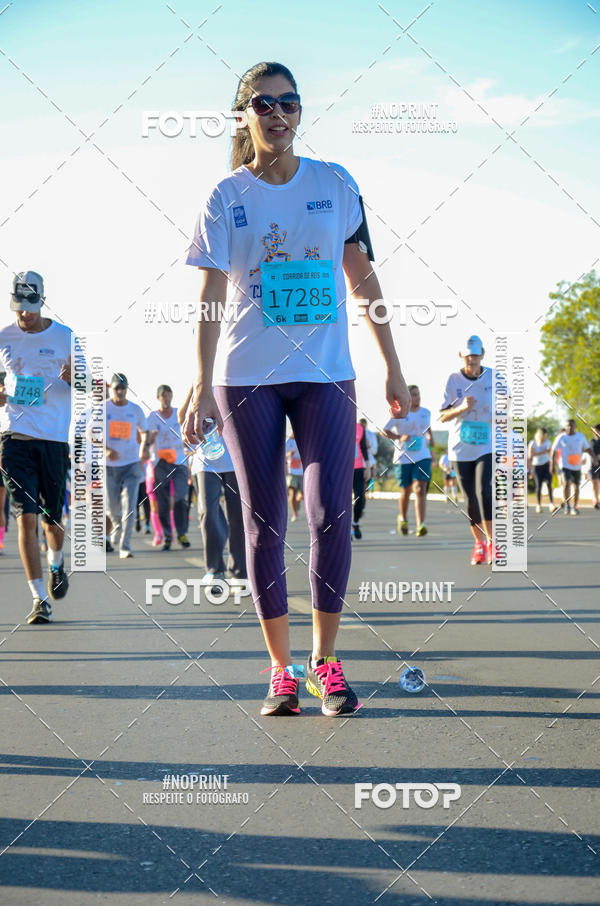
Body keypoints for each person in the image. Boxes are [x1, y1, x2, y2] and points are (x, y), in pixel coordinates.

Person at [184, 61, 410, 717]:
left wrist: (392, 365)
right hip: (246, 375)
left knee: (329, 513)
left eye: (290, 102)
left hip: (325, 372)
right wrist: (201, 381)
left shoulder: (336, 184)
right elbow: (209, 294)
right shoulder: (225, 196)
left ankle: (327, 663)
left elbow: (364, 279)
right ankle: (281, 671)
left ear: (301, 111)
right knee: (263, 525)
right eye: (263, 102)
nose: (278, 112)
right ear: (243, 114)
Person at [0, 271, 71, 623]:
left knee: (51, 522)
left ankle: (57, 563)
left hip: (54, 440)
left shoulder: (65, 336)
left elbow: (91, 384)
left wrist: (77, 376)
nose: (23, 315)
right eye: (18, 309)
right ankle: (39, 598)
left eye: (29, 308)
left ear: (41, 301)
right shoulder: (3, 338)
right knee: (25, 519)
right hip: (15, 439)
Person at [180, 386, 247, 590]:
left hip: (235, 461)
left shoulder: (236, 382)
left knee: (237, 517)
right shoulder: (202, 382)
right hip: (205, 462)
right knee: (208, 513)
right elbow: (182, 416)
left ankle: (238, 572)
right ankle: (215, 570)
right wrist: (195, 386)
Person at [440, 335, 493, 565]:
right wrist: (462, 407)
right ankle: (479, 544)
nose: (472, 361)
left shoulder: (494, 376)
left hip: (485, 444)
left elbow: (508, 404)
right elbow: (443, 416)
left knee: (484, 492)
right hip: (460, 448)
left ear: (482, 355)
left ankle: (493, 543)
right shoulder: (453, 380)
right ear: (461, 356)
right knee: (470, 498)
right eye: (468, 356)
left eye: (476, 356)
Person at [105, 373, 149, 558]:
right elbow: (90, 433)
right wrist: (106, 449)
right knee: (112, 508)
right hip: (109, 465)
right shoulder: (103, 408)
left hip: (132, 463)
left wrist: (144, 448)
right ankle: (116, 524)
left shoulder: (136, 410)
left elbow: (145, 432)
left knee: (130, 506)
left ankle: (125, 546)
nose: (120, 391)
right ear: (111, 389)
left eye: (123, 388)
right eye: (117, 388)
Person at [384, 384, 435, 537]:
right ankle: (403, 518)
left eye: (418, 394)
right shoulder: (399, 413)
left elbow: (427, 428)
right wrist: (399, 437)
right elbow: (384, 431)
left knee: (420, 488)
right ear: (407, 396)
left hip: (422, 455)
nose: (416, 397)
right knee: (405, 491)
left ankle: (421, 524)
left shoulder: (426, 412)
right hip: (403, 457)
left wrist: (430, 437)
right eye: (413, 394)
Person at [147, 384, 190, 550]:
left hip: (179, 462)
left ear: (171, 396)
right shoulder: (152, 417)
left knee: (180, 497)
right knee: (163, 502)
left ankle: (182, 532)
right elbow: (146, 441)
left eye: (168, 394)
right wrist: (151, 437)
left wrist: (188, 448)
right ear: (158, 398)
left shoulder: (180, 414)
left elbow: (188, 436)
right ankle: (167, 536)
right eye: (163, 395)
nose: (166, 398)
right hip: (160, 463)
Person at [551, 419, 591, 516]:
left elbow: (587, 448)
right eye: (567, 426)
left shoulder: (580, 437)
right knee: (567, 483)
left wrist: (593, 457)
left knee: (577, 486)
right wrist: (552, 464)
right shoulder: (561, 437)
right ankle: (567, 504)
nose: (569, 427)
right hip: (565, 465)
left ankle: (575, 506)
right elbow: (554, 451)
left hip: (577, 466)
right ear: (565, 427)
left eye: (571, 425)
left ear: (574, 426)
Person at [527, 427, 557, 513]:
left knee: (549, 484)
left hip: (546, 464)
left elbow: (551, 453)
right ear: (541, 435)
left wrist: (552, 465)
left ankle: (551, 503)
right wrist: (543, 452)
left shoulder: (547, 442)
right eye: (544, 435)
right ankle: (539, 505)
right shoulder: (533, 443)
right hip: (536, 466)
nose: (545, 437)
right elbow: (530, 456)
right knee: (538, 486)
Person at [352, 420, 369, 539]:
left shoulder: (359, 428)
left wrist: (367, 467)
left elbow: (363, 447)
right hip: (341, 468)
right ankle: (345, 529)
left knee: (360, 498)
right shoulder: (335, 424)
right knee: (343, 500)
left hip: (358, 467)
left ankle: (355, 523)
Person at [285, 431, 304, 522]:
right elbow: (283, 456)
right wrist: (289, 454)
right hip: (292, 471)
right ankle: (295, 513)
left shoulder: (304, 439)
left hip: (303, 471)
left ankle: (297, 502)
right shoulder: (288, 442)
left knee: (301, 495)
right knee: (291, 495)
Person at [360, 418, 378, 491]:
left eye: (364, 425)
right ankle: (362, 494)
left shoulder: (371, 435)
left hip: (370, 461)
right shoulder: (355, 433)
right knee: (361, 482)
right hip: (359, 462)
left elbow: (375, 450)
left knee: (371, 477)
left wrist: (368, 447)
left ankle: (370, 492)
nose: (362, 427)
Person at [591, 424, 600, 510]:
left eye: (595, 430)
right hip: (594, 465)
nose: (594, 432)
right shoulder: (592, 441)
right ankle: (596, 501)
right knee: (595, 483)